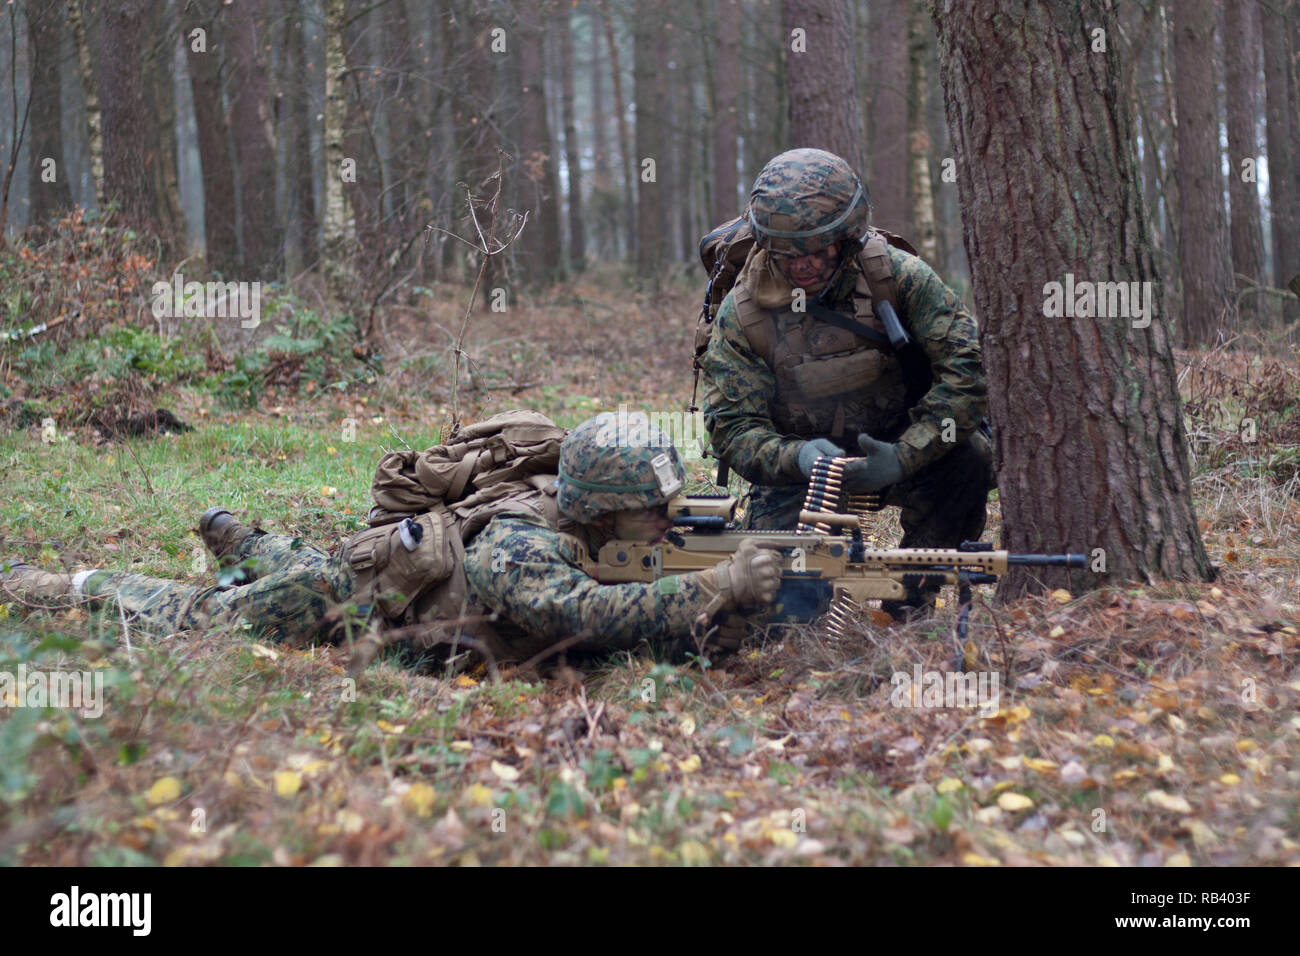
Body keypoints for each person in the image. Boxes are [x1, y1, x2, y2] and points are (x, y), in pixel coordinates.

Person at [0, 414, 781, 665]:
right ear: (606, 508)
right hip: (354, 605)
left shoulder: (603, 530)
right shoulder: (521, 544)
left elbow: (640, 603)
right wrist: (717, 586)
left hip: (380, 571)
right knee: (205, 622)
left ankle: (248, 541)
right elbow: (576, 617)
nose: (668, 522)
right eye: (652, 508)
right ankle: (61, 584)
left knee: (305, 562)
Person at [697, 148, 993, 619]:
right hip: (800, 477)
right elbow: (733, 429)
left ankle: (912, 602)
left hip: (900, 448)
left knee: (970, 457)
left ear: (847, 239)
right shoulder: (743, 313)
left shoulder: (896, 276)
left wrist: (904, 454)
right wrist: (799, 457)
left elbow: (967, 371)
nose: (801, 266)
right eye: (785, 252)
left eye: (816, 250)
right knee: (784, 620)